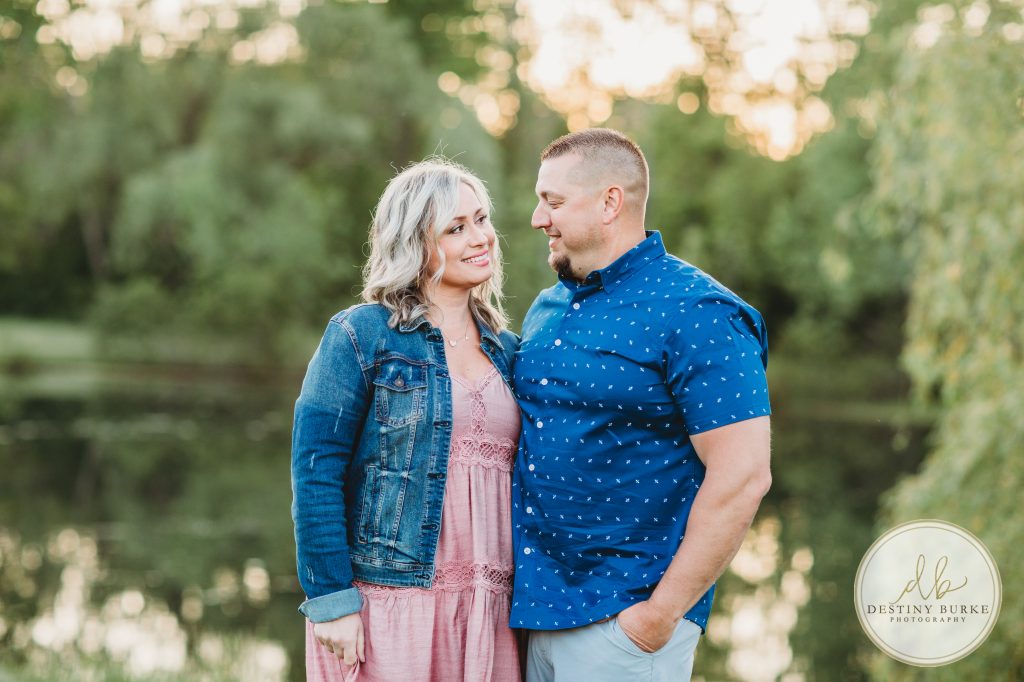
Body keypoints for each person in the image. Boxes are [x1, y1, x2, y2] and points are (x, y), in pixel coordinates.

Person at [511, 128, 772, 681]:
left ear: (610, 202)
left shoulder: (700, 312)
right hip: (534, 617)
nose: (538, 218)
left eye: (553, 202)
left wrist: (658, 617)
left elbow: (743, 476)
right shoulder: (547, 306)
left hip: (626, 625)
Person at [291, 158, 522, 681]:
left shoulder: (509, 351)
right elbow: (316, 469)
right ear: (416, 244)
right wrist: (331, 598)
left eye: (482, 219)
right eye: (456, 228)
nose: (481, 237)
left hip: (492, 605)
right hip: (392, 601)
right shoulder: (362, 335)